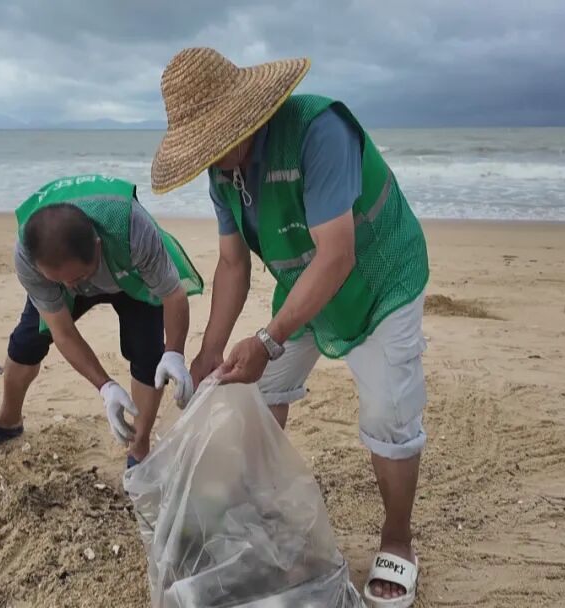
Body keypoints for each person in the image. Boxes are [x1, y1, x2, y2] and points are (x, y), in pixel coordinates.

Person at [150, 48, 430, 607]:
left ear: (244, 117)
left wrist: (269, 338)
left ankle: (398, 538)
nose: (209, 158)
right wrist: (207, 353)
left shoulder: (317, 130)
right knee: (255, 388)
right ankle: (260, 514)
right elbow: (233, 263)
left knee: (389, 414)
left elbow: (338, 255)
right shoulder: (223, 171)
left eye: (212, 141)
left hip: (380, 275)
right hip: (304, 278)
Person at [0, 175, 202, 468]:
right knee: (26, 341)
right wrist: (105, 387)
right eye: (61, 281)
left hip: (129, 273)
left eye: (78, 278)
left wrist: (174, 352)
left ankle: (140, 445)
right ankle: (8, 420)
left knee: (148, 354)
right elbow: (63, 332)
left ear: (98, 247)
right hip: (66, 270)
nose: (73, 287)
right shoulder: (28, 256)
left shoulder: (133, 229)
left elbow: (172, 294)